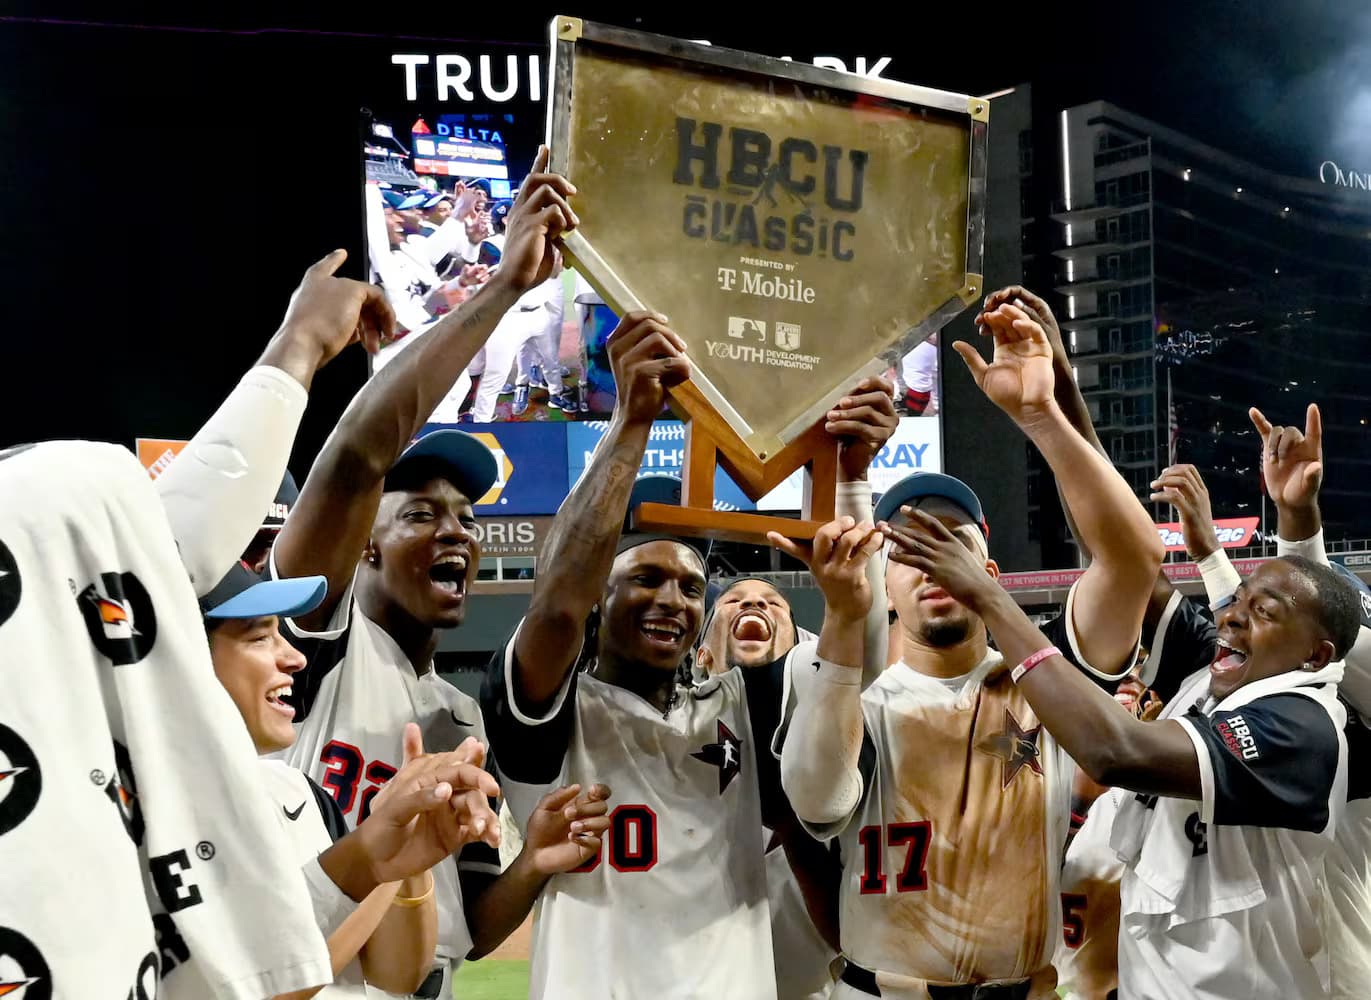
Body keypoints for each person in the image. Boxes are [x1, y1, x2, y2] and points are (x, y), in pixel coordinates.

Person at [480, 302, 898, 998]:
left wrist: (851, 477)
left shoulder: (744, 698)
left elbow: (862, 668)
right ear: (599, 599)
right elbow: (554, 606)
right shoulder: (553, 711)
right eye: (643, 577)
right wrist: (630, 422)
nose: (672, 599)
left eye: (690, 586)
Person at [269, 149, 601, 996]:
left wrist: (533, 865)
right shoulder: (317, 647)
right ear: (366, 545)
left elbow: (475, 928)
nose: (455, 531)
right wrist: (502, 288)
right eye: (419, 514)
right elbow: (353, 461)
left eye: (466, 518)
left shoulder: (457, 713)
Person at [776, 297, 1165, 997]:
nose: (931, 560)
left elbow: (1135, 560)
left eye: (952, 542)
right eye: (909, 548)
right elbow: (816, 804)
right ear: (885, 584)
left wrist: (1043, 415)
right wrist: (850, 476)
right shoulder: (849, 691)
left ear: (989, 575)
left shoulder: (1041, 683)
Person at [202, 563, 504, 998]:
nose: (294, 657)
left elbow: (396, 973)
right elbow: (251, 985)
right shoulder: (140, 818)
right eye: (260, 637)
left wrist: (401, 861)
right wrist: (365, 856)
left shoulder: (300, 792)